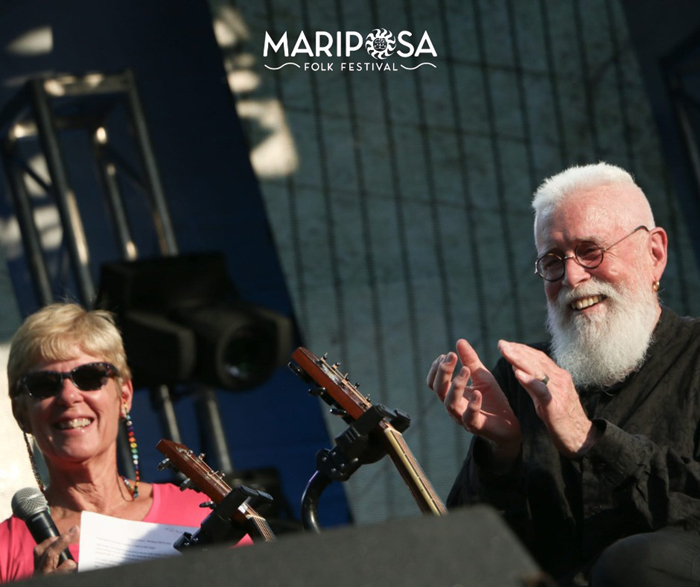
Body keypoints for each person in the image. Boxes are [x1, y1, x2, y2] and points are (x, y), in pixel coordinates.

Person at [427, 162, 700, 586]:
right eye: (552, 261)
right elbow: (470, 554)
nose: (572, 277)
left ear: (655, 254)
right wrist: (502, 454)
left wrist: (592, 441)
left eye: (591, 251)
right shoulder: (522, 378)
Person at [0, 303, 251, 582]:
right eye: (44, 384)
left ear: (124, 396)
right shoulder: (4, 551)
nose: (69, 396)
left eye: (90, 376)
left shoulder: (202, 514)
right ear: (20, 412)